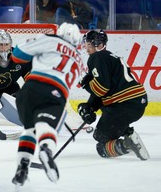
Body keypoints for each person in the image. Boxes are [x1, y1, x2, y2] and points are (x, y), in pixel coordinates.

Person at [11, 23, 84, 186]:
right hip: (55, 93)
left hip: (29, 90)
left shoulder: (50, 39)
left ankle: (22, 168)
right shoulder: (80, 60)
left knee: (29, 130)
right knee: (46, 127)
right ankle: (46, 149)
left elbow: (17, 55)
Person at [77, 29, 150, 161]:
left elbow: (102, 89)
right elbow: (106, 91)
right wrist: (90, 107)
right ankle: (128, 134)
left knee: (100, 137)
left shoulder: (97, 57)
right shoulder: (111, 58)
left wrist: (87, 85)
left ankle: (128, 143)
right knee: (108, 115)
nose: (86, 49)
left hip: (124, 105)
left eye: (89, 45)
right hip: (136, 103)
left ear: (98, 45)